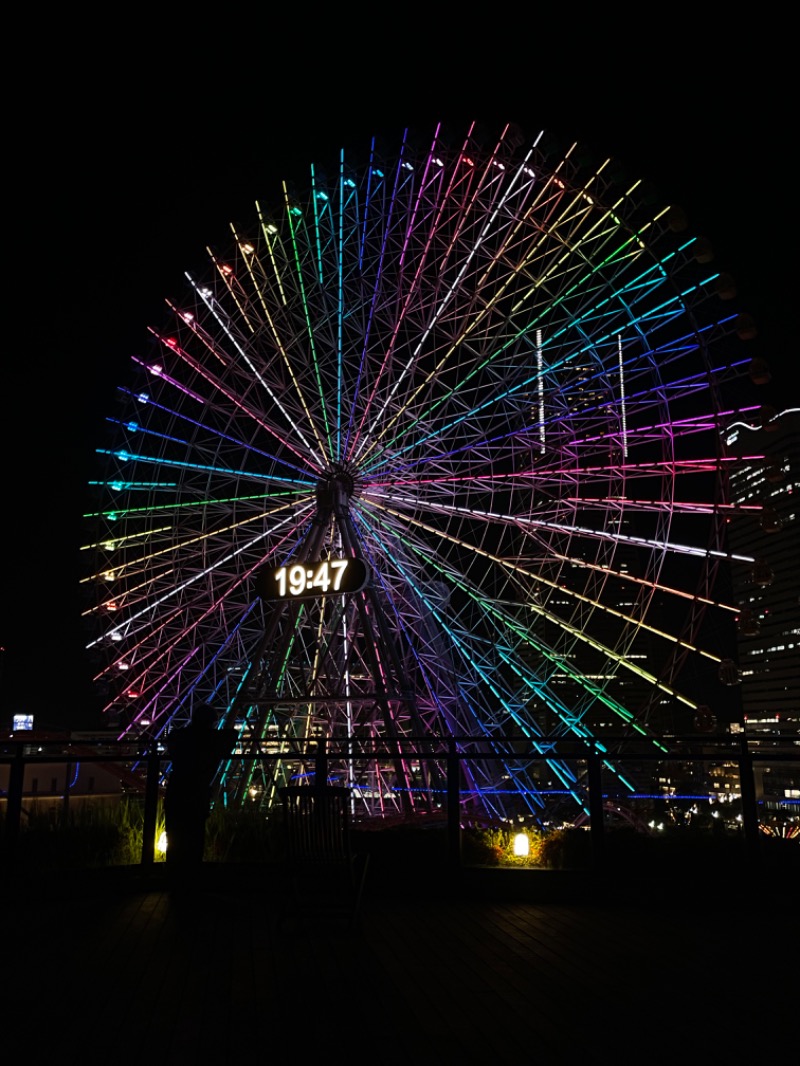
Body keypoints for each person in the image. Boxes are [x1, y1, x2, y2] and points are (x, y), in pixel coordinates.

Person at [163, 704, 236, 879]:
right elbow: (232, 736)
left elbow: (172, 739)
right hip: (198, 793)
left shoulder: (180, 738)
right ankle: (193, 875)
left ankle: (174, 875)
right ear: (211, 722)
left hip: (176, 791)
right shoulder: (213, 741)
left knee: (174, 836)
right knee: (195, 836)